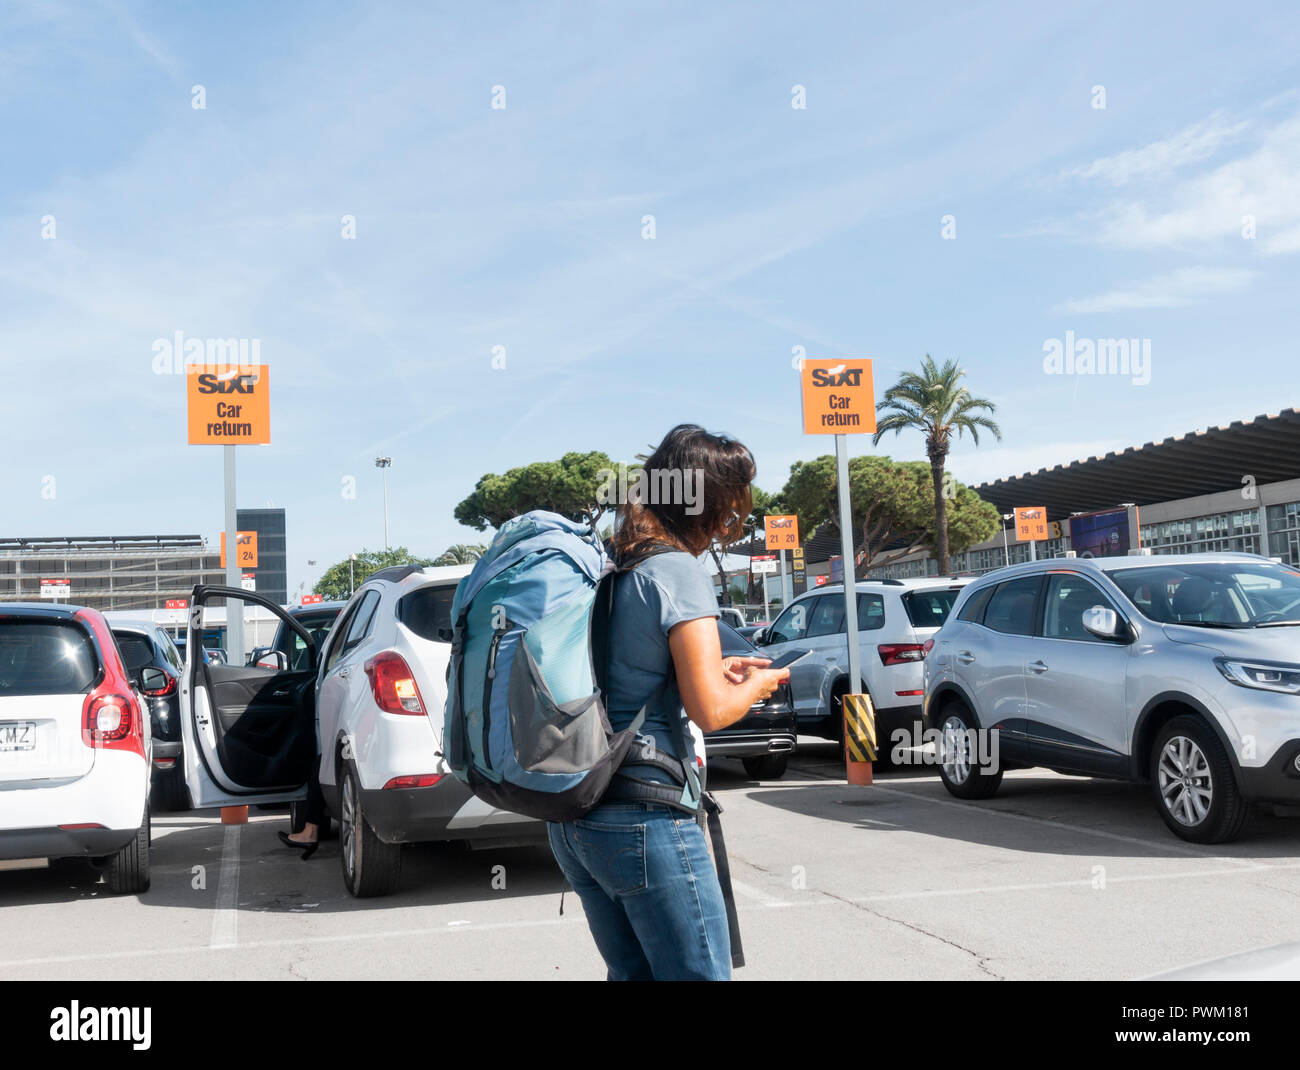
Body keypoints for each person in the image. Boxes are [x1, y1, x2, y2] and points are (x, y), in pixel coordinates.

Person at [547, 424, 791, 980]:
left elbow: (625, 669)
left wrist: (714, 667)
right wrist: (755, 684)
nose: (731, 524)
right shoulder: (677, 569)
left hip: (577, 818)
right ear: (706, 504)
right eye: (730, 510)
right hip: (645, 816)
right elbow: (711, 711)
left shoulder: (615, 562)